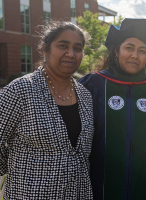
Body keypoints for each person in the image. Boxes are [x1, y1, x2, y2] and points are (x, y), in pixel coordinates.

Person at [0, 21, 94, 199]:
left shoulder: (85, 96)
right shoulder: (21, 90)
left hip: (79, 194)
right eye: (63, 46)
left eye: (77, 48)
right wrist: (16, 166)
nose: (71, 54)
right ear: (45, 48)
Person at [79, 18, 146, 200]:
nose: (135, 55)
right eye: (129, 47)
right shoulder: (93, 85)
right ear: (116, 50)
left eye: (142, 51)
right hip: (101, 185)